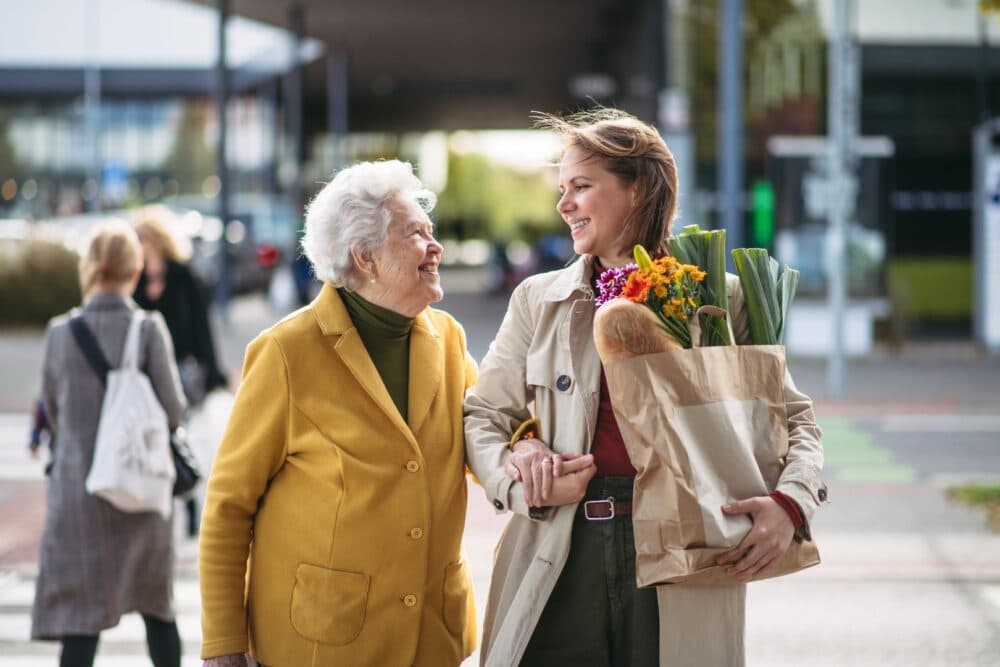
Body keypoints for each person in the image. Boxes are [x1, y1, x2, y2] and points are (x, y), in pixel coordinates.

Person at [464, 109, 826, 667]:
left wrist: (791, 504)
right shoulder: (538, 300)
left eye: (581, 187)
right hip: (560, 549)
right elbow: (483, 417)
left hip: (689, 548)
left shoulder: (721, 299)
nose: (563, 205)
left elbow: (794, 419)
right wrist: (521, 466)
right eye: (562, 189)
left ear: (638, 190)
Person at [199, 160, 478, 667]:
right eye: (416, 234)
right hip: (324, 641)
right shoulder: (286, 351)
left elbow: (491, 429)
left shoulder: (450, 341)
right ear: (365, 257)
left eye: (431, 232)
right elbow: (228, 506)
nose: (435, 247)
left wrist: (527, 442)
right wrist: (223, 644)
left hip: (431, 638)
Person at [31, 220, 187, 667]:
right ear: (135, 272)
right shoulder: (149, 329)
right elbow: (174, 411)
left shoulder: (60, 333)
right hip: (140, 493)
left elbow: (54, 416)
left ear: (90, 270)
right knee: (158, 610)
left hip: (81, 495)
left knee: (82, 622)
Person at [133, 208, 227, 537]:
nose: (139, 244)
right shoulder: (137, 279)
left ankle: (187, 501)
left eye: (143, 237)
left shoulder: (184, 276)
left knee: (178, 434)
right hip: (144, 372)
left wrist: (212, 368)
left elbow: (203, 326)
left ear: (158, 240)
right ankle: (159, 500)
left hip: (182, 370)